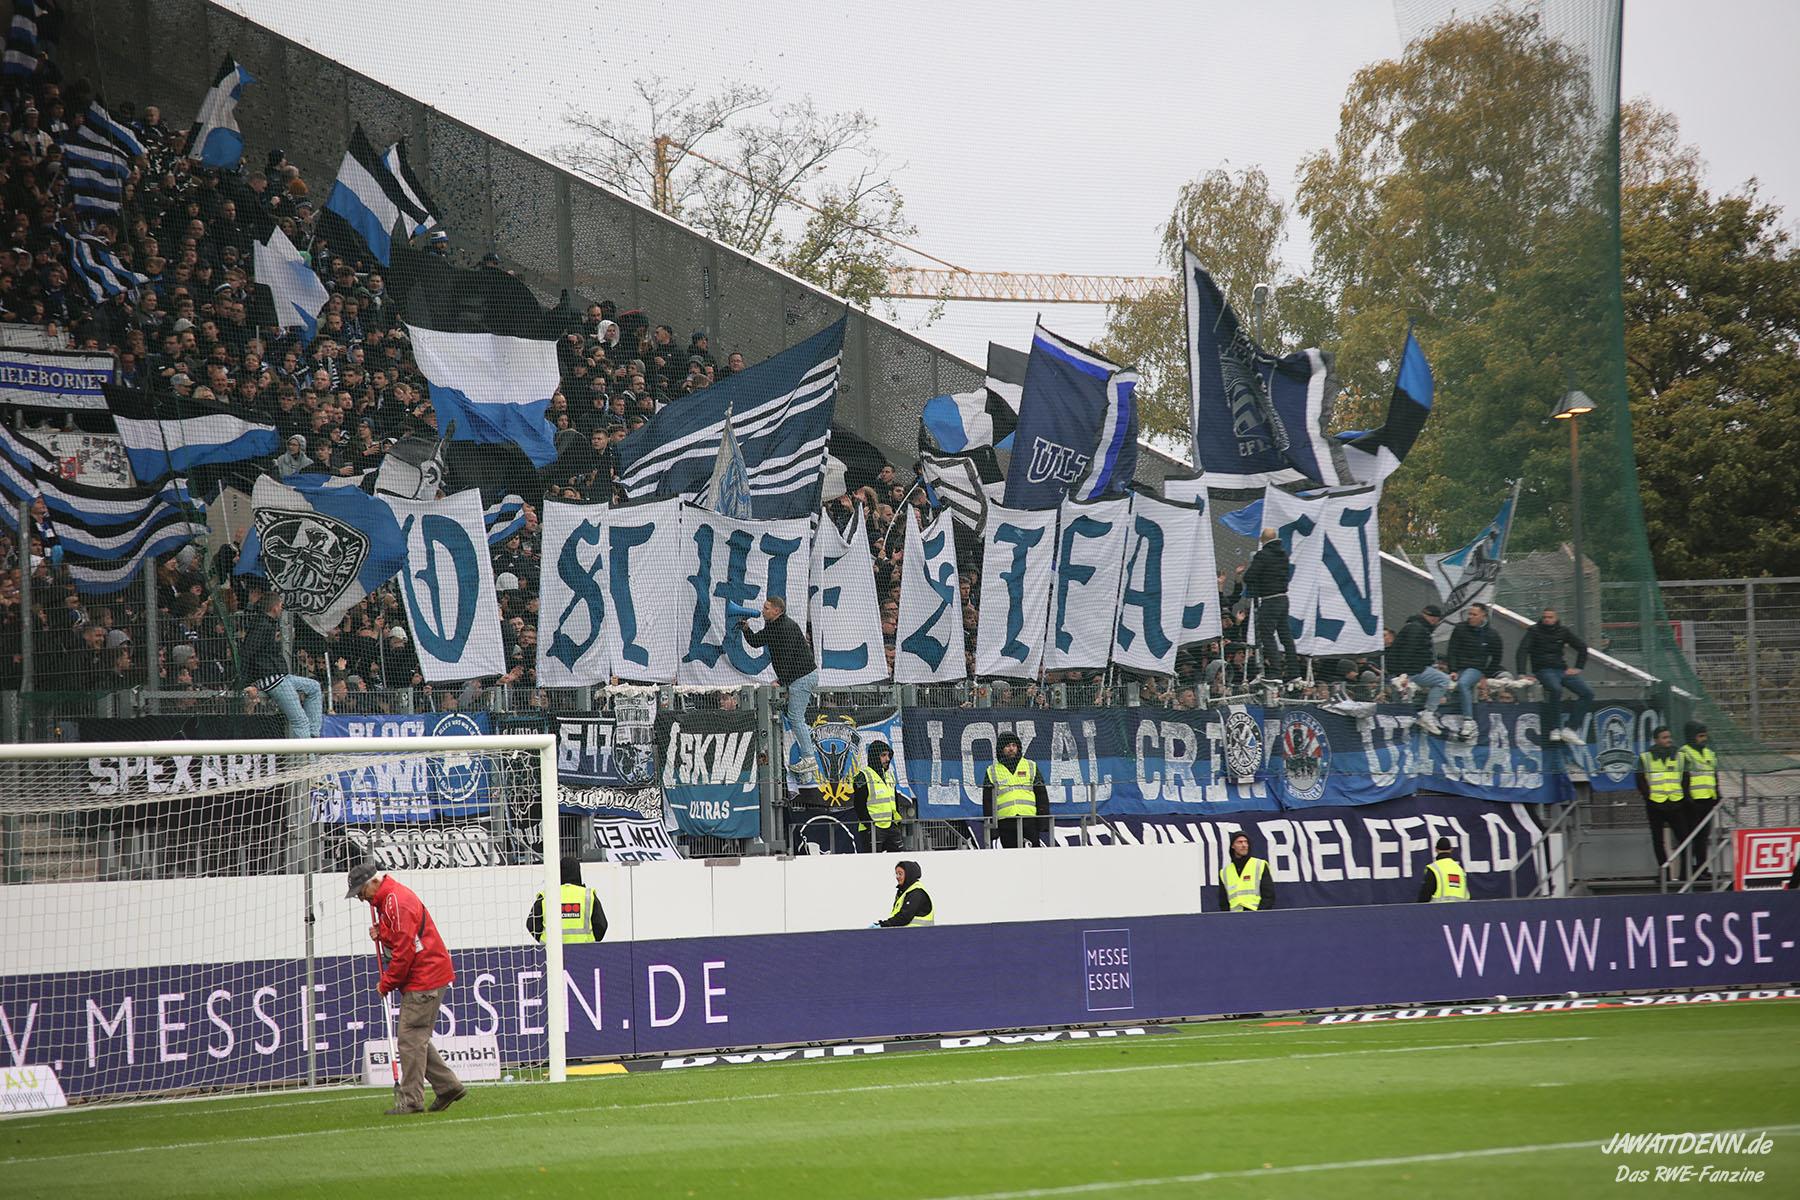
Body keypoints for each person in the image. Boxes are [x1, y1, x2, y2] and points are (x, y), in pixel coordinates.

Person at [348, 861, 464, 1115]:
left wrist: (387, 983)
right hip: (429, 974)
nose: (362, 899)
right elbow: (403, 935)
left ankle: (412, 1100)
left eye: (361, 893)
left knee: (410, 1039)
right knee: (416, 1038)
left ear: (374, 882)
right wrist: (383, 933)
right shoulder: (391, 899)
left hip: (424, 978)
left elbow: (404, 951)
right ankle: (448, 1086)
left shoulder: (395, 902)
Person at [737, 596, 819, 780]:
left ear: (777, 610)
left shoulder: (786, 627)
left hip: (802, 677)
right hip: (798, 677)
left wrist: (782, 682)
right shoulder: (773, 626)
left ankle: (809, 758)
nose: (763, 610)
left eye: (767, 608)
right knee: (796, 718)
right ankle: (808, 760)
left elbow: (788, 658)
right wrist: (746, 629)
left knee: (796, 718)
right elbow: (756, 641)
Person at [242, 593, 321, 739]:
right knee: (300, 721)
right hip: (272, 679)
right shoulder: (261, 625)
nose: (282, 608)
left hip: (281, 676)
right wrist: (248, 683)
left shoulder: (267, 624)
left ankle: (313, 736)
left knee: (314, 687)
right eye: (280, 605)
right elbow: (247, 653)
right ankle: (310, 751)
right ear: (274, 607)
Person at [1515, 607, 1592, 746]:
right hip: (1543, 669)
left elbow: (1582, 647)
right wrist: (1522, 673)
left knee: (1587, 693)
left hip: (1562, 669)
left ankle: (1571, 729)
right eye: (1545, 617)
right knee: (1556, 689)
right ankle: (1554, 727)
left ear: (1556, 618)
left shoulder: (1563, 631)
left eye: (1550, 617)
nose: (1547, 620)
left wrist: (1578, 667)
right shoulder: (1534, 631)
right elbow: (1522, 650)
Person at [1243, 528, 1300, 684]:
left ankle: (1275, 672)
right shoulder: (1283, 555)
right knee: (1286, 636)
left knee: (1267, 635)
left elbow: (1250, 576)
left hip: (1270, 600)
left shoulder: (1262, 555)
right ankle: (1294, 672)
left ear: (1263, 540)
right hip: (1283, 599)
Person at [1390, 604, 1454, 735]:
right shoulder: (1418, 629)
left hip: (1406, 669)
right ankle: (1428, 714)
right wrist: (1403, 674)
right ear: (1434, 619)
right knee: (1443, 680)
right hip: (1412, 670)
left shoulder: (1412, 626)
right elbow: (1409, 651)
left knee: (1402, 702)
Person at [1637, 726, 1689, 881]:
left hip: (1676, 803)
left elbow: (1686, 778)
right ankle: (1664, 873)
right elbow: (1640, 780)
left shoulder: (1680, 756)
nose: (1669, 740)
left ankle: (1685, 874)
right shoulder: (1645, 758)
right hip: (1655, 804)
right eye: (1664, 737)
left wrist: (1683, 798)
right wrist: (1649, 798)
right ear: (1656, 740)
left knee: (1685, 839)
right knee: (1658, 841)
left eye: (1669, 737)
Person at [1445, 603, 1502, 740]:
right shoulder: (1460, 628)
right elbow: (1452, 650)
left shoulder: (1492, 634)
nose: (1470, 617)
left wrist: (1486, 674)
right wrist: (1453, 669)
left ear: (1483, 616)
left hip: (1476, 668)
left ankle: (1468, 721)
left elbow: (1497, 656)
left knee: (1463, 684)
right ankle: (1454, 724)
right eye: (1469, 614)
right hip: (1459, 668)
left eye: (1474, 614)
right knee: (1453, 690)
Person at [982, 731, 1049, 849]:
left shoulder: (1030, 766)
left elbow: (1041, 795)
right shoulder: (992, 771)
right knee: (1011, 857)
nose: (1011, 748)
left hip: (1029, 820)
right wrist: (992, 828)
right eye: (1007, 746)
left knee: (1033, 856)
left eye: (1014, 745)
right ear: (1001, 749)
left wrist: (1043, 821)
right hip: (1005, 823)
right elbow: (988, 802)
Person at [526, 855, 607, 944]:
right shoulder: (588, 895)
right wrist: (591, 940)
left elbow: (531, 924)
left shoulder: (547, 895)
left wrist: (545, 941)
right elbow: (601, 925)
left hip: (553, 950)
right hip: (584, 949)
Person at [1680, 721, 1720, 884]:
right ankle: (1692, 871)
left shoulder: (1709, 753)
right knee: (1694, 837)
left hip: (1708, 800)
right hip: (1693, 802)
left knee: (1703, 837)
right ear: (1692, 737)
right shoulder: (1684, 753)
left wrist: (1717, 793)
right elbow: (1682, 777)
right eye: (1700, 736)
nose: (1704, 739)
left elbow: (1714, 775)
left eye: (1705, 735)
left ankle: (1702, 869)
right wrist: (1687, 797)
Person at [852, 738, 905, 854]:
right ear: (875, 756)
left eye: (888, 755)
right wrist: (870, 825)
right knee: (873, 861)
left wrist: (896, 822)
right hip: (872, 828)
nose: (888, 759)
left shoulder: (890, 775)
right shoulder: (863, 776)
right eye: (883, 755)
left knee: (898, 859)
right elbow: (859, 805)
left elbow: (894, 801)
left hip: (891, 826)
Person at [1217, 831, 1275, 912]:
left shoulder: (1259, 865)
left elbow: (1268, 895)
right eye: (1239, 842)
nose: (1244, 845)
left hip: (1256, 913)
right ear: (1233, 846)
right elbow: (1223, 901)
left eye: (1246, 842)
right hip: (1235, 915)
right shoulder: (1224, 872)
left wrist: (1259, 914)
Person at [873, 860, 935, 927]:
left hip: (919, 932)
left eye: (900, 874)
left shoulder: (916, 892)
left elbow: (904, 917)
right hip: (907, 932)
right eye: (896, 874)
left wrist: (883, 925)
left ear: (909, 874)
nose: (897, 877)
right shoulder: (904, 892)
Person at [1417, 836, 1471, 902]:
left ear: (1436, 849)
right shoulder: (1460, 870)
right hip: (1461, 908)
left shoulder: (1434, 868)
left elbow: (1425, 894)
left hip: (1438, 908)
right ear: (1451, 850)